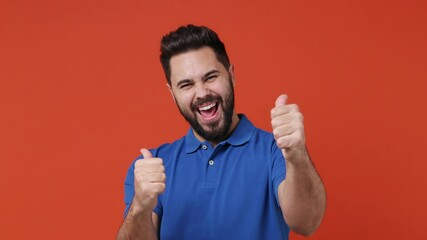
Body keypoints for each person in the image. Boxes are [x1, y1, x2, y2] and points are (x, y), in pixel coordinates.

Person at [116, 24, 326, 240]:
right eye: (186, 84)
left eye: (210, 77)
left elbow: (306, 223)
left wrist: (297, 156)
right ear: (172, 93)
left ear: (231, 75)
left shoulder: (276, 150)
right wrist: (140, 207)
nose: (202, 93)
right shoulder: (153, 165)